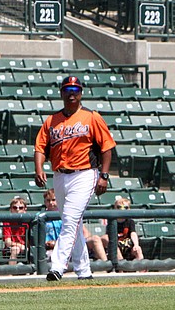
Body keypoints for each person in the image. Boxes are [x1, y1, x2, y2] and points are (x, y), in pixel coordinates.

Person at [34, 76, 116, 281]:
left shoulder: (91, 117)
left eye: (76, 89)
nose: (72, 93)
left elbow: (107, 148)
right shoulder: (52, 121)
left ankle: (57, 267)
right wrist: (38, 168)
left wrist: (104, 175)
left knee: (69, 221)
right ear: (61, 93)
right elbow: (40, 148)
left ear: (81, 93)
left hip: (85, 173)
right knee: (74, 224)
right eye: (68, 89)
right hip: (60, 176)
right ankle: (84, 271)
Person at [43, 189, 107, 263]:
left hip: (72, 245)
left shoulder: (69, 214)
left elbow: (86, 233)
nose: (51, 203)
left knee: (96, 239)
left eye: (54, 200)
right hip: (53, 249)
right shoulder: (41, 217)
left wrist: (77, 241)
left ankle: (108, 267)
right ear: (45, 202)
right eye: (48, 200)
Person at [100, 196, 144, 262]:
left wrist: (136, 245)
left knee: (138, 249)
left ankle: (142, 269)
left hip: (128, 247)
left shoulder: (130, 221)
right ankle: (121, 268)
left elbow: (133, 233)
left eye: (125, 208)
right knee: (115, 248)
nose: (122, 209)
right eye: (119, 207)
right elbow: (108, 238)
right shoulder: (112, 222)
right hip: (116, 247)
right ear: (115, 208)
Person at [2, 197, 28, 266]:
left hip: (26, 248)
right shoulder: (7, 222)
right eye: (15, 207)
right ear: (11, 209)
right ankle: (11, 272)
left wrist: (25, 246)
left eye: (21, 208)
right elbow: (8, 242)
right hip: (10, 249)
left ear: (25, 209)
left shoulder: (29, 221)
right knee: (15, 249)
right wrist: (20, 245)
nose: (18, 210)